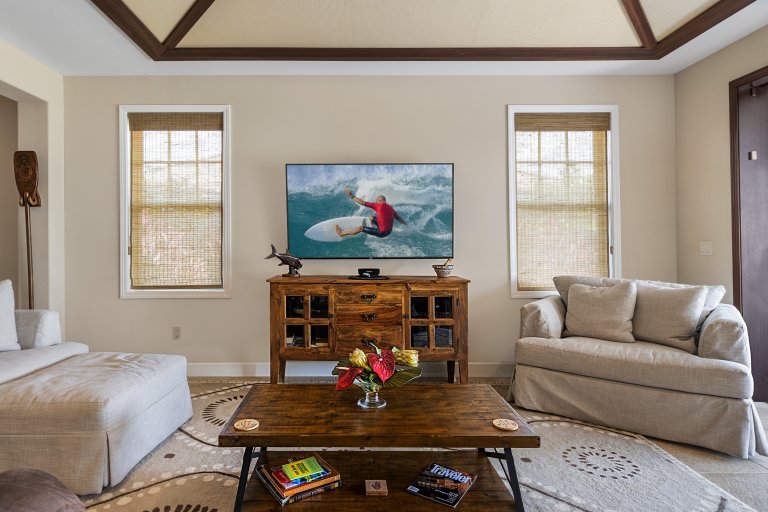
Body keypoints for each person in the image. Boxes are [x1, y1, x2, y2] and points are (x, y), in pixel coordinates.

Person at [335, 185, 407, 238]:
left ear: (380, 201)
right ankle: (373, 226)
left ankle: (341, 233)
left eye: (376, 201)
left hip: (382, 233)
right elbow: (399, 218)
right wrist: (406, 224)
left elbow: (362, 202)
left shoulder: (378, 205)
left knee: (361, 228)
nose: (375, 202)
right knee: (371, 217)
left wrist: (351, 196)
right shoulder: (391, 208)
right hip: (389, 231)